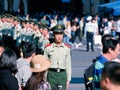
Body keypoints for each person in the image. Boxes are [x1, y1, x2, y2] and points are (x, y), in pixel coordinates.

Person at [44, 24, 72, 90]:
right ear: (53, 35)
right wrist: (44, 79)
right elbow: (45, 65)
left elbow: (68, 64)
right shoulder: (48, 48)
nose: (59, 36)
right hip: (51, 75)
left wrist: (68, 80)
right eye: (57, 34)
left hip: (62, 75)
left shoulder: (66, 48)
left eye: (61, 34)